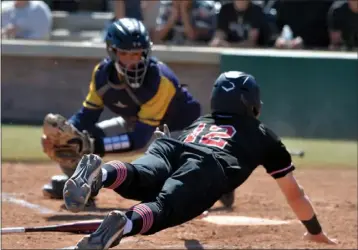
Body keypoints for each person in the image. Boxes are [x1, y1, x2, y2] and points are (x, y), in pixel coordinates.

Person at [62, 71, 337, 249]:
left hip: (170, 145)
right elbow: (294, 194)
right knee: (164, 207)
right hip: (205, 167)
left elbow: (179, 156)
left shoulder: (201, 122)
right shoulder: (263, 135)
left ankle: (102, 175)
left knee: (139, 175)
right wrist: (314, 231)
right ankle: (126, 223)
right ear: (251, 103)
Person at [40, 18, 201, 201]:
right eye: (125, 53)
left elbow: (140, 139)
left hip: (179, 133)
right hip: (137, 124)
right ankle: (80, 185)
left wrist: (92, 145)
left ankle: (211, 179)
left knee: (164, 184)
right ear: (113, 51)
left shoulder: (160, 81)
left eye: (138, 53)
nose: (133, 60)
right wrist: (62, 133)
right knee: (70, 141)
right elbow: (87, 115)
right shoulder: (102, 74)